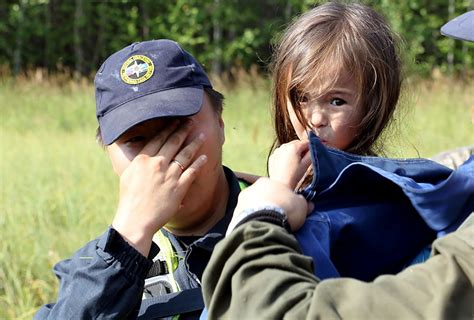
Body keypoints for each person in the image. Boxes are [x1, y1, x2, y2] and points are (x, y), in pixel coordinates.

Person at [201, 8, 474, 320]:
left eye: (337, 101)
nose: (315, 119)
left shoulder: (375, 205)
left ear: (374, 103)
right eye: (302, 97)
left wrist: (262, 212)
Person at [35, 39, 249, 319]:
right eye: (136, 140)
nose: (162, 159)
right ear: (109, 156)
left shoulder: (283, 219)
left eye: (178, 128)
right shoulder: (92, 271)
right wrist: (128, 243)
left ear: (220, 125)